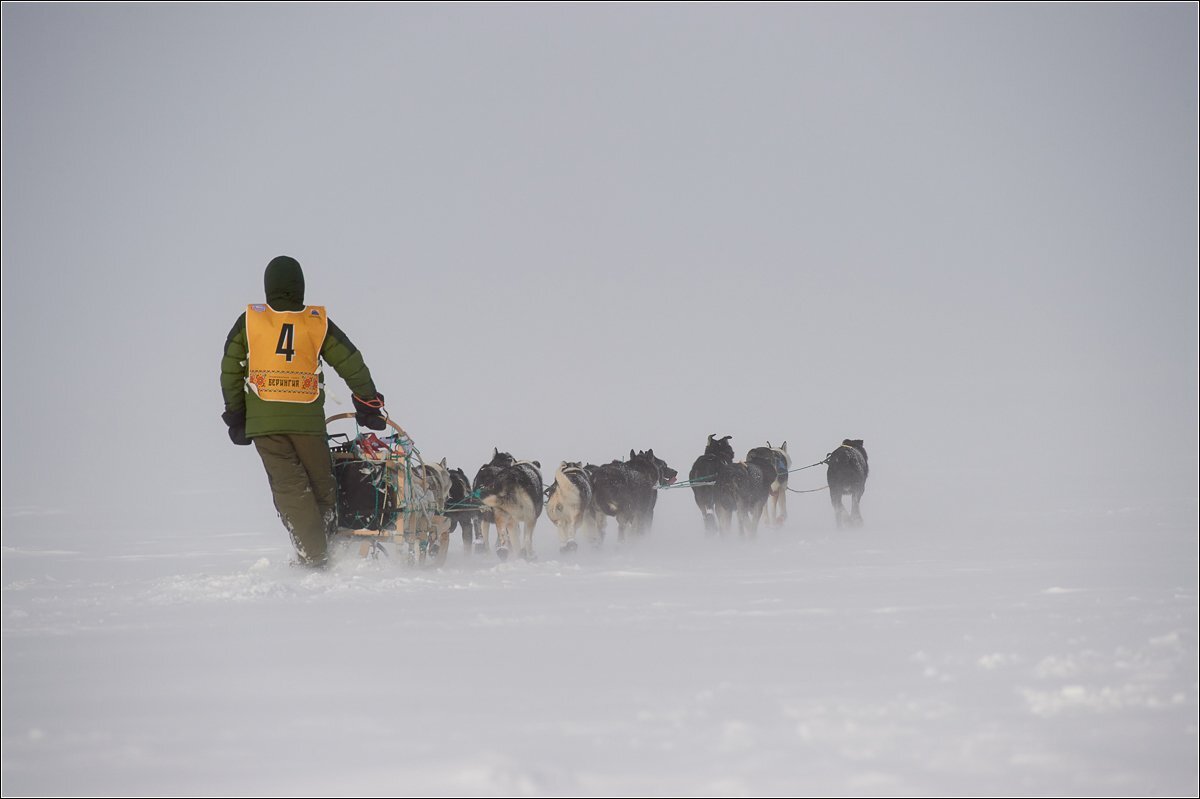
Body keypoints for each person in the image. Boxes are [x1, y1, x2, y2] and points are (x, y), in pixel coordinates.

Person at [219, 255, 387, 568]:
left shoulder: (250, 321)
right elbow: (351, 361)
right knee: (323, 487)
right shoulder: (316, 321)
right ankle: (324, 555)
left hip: (266, 425)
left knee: (291, 489)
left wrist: (236, 413)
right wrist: (367, 402)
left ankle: (316, 559)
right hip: (308, 422)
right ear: (300, 286)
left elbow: (230, 367)